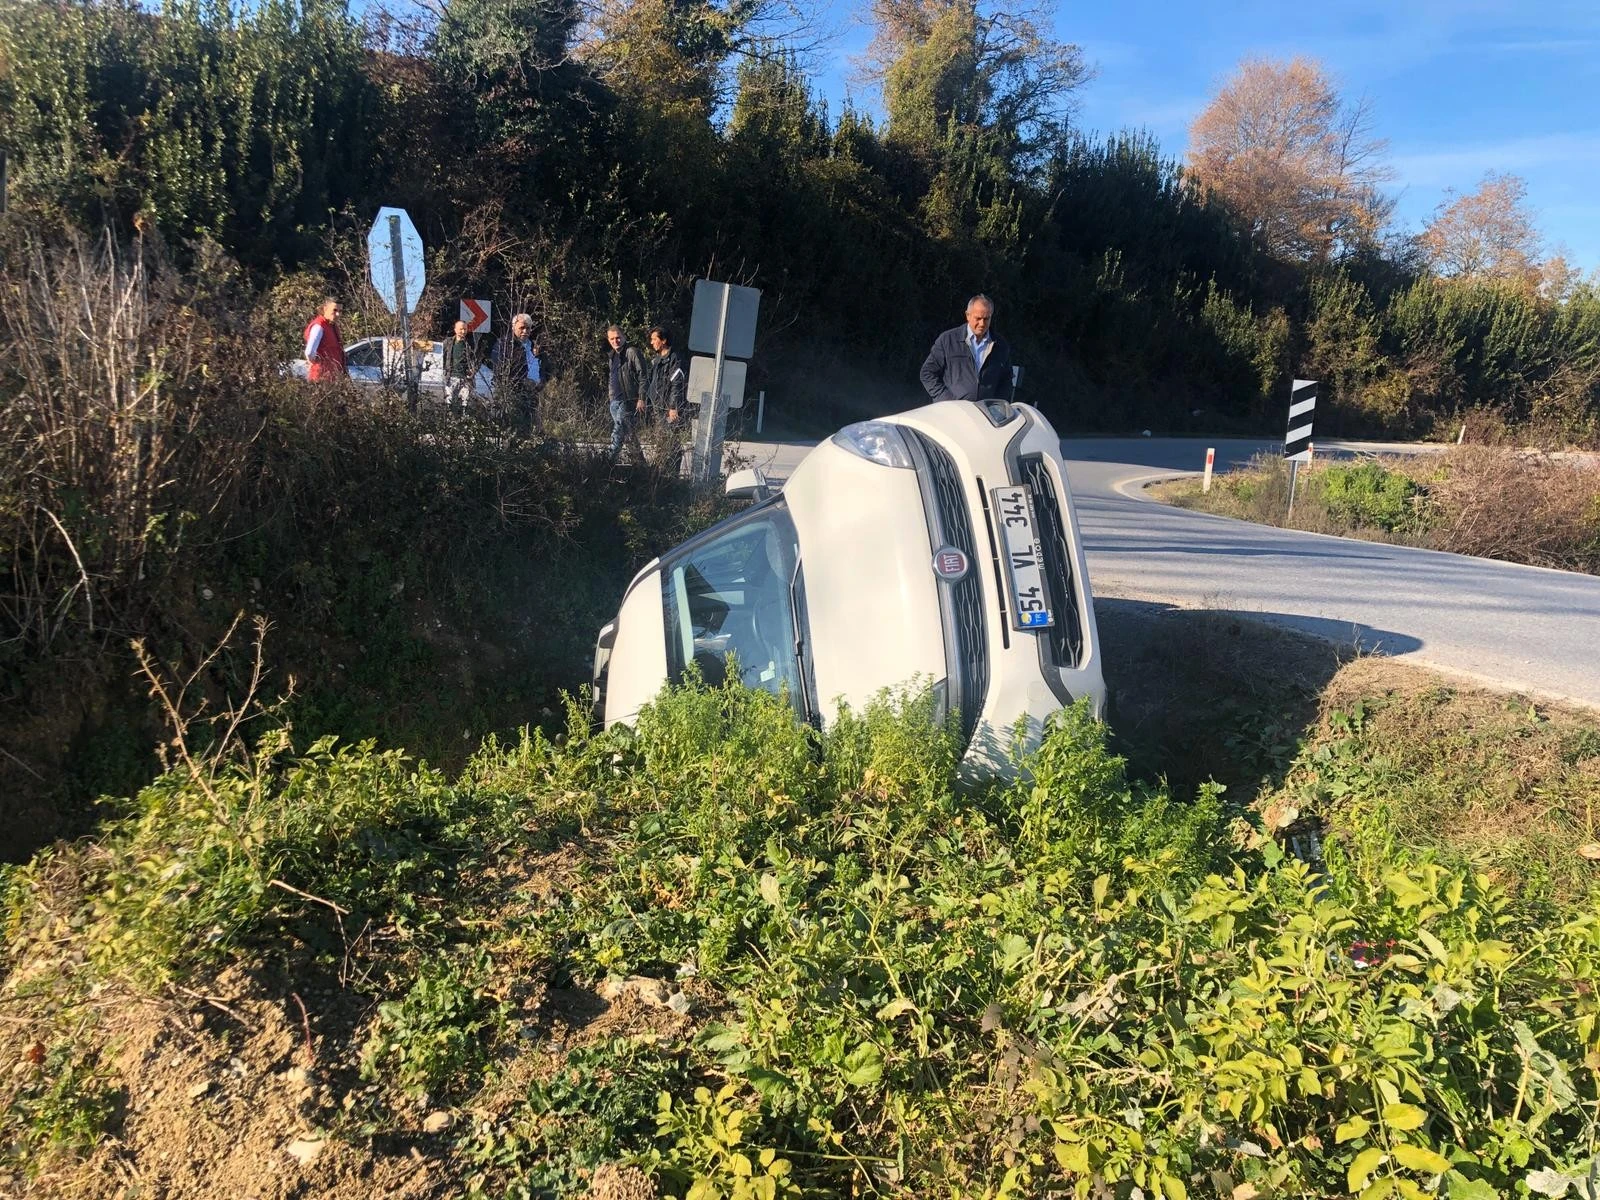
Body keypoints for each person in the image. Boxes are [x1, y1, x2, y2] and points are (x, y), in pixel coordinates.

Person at [919, 294, 1013, 405]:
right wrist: (946, 400)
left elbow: (1006, 380)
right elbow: (927, 373)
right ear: (968, 315)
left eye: (986, 318)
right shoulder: (948, 340)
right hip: (951, 413)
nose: (982, 324)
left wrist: (996, 406)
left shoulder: (1000, 345)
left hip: (985, 417)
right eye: (978, 318)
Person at [494, 312, 544, 436]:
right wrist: (513, 384)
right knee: (512, 427)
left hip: (532, 392)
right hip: (513, 391)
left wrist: (542, 381)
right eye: (522, 328)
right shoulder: (505, 345)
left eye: (528, 328)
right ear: (513, 328)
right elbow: (498, 366)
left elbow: (544, 366)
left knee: (529, 426)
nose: (525, 331)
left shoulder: (533, 346)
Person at [647, 325, 688, 471]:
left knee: (671, 442)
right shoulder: (657, 360)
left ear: (663, 340)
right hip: (658, 407)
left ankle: (671, 475)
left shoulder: (675, 359)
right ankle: (661, 473)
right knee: (661, 440)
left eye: (654, 339)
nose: (651, 342)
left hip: (668, 408)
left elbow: (677, 384)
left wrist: (673, 407)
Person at [605, 325, 648, 463]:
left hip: (627, 400)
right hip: (615, 402)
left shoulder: (632, 352)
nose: (615, 341)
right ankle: (642, 467)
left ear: (624, 337)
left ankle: (606, 464)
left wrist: (641, 398)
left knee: (617, 433)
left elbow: (643, 376)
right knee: (628, 435)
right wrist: (611, 398)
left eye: (618, 337)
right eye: (612, 339)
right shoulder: (612, 356)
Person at [303, 297, 346, 383]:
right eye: (335, 310)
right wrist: (318, 364)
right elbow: (309, 352)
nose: (338, 314)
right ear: (325, 309)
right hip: (320, 379)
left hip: (331, 379)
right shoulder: (319, 326)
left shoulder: (332, 326)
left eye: (340, 311)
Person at [442, 319, 478, 415]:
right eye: (461, 329)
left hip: (465, 378)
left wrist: (473, 371)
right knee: (449, 403)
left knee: (464, 404)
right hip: (451, 377)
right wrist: (445, 372)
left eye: (465, 329)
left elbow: (475, 360)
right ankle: (449, 423)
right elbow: (445, 358)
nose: (463, 331)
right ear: (455, 330)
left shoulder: (470, 344)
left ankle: (463, 422)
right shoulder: (448, 342)